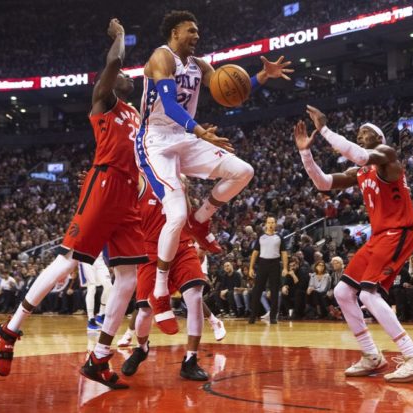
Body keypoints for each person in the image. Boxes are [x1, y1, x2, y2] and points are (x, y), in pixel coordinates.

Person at [0, 19, 147, 391]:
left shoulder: (135, 114)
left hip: (128, 194)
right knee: (69, 261)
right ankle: (9, 331)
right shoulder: (103, 99)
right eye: (122, 73)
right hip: (105, 183)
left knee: (129, 278)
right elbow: (113, 64)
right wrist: (119, 38)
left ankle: (99, 358)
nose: (127, 75)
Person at [137, 10, 292, 332]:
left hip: (185, 136)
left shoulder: (199, 65)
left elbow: (231, 88)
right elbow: (169, 104)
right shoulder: (160, 58)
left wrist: (263, 77)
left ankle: (201, 219)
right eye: (191, 31)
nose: (197, 36)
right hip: (155, 141)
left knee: (243, 171)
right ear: (175, 32)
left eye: (197, 32)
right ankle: (160, 291)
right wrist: (199, 131)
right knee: (175, 215)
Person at [294, 106, 413, 383]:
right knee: (343, 292)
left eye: (365, 132)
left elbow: (359, 154)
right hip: (379, 236)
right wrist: (305, 152)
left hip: (399, 231)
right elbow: (323, 183)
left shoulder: (387, 155)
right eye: (358, 133)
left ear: (379, 138)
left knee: (369, 295)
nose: (360, 136)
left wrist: (324, 129)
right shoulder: (360, 171)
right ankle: (372, 355)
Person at [120, 175, 222, 381]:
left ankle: (190, 359)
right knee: (145, 310)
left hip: (182, 248)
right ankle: (141, 348)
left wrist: (202, 244)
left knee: (194, 297)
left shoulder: (180, 182)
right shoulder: (143, 180)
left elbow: (192, 219)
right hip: (150, 251)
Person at [248, 216, 289, 324]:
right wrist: (251, 267)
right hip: (262, 263)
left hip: (275, 264)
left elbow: (284, 253)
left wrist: (285, 268)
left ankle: (273, 317)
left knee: (275, 291)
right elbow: (255, 253)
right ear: (266, 224)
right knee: (257, 290)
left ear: (275, 224)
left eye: (272, 222)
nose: (270, 224)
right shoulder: (261, 237)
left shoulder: (279, 237)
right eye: (269, 222)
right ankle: (252, 316)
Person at [78, 251, 112, 331]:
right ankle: (91, 319)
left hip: (99, 259)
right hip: (86, 257)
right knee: (92, 287)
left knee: (109, 286)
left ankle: (101, 314)